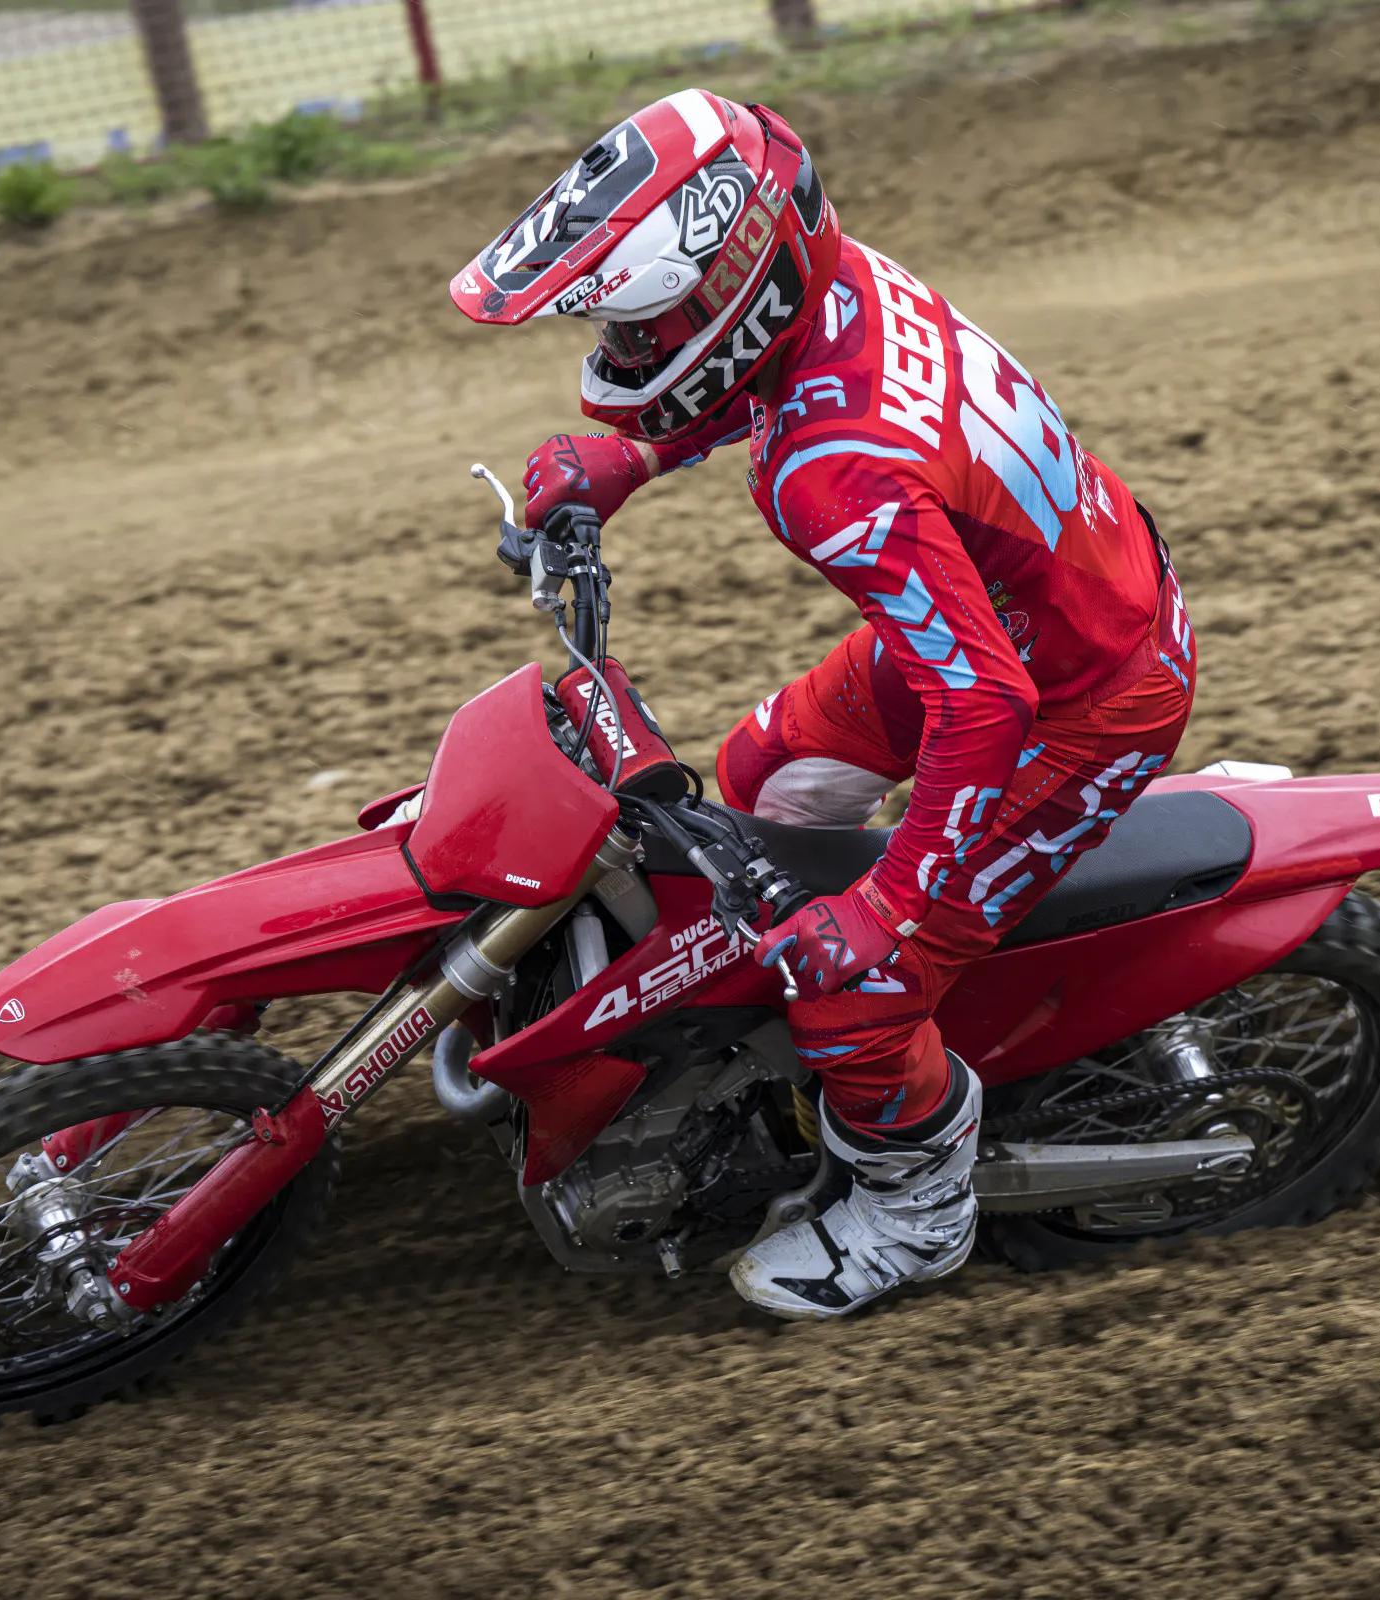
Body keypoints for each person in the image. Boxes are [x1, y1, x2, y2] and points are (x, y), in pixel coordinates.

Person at [452, 89, 1195, 1320]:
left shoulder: (829, 478)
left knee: (861, 970)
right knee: (758, 788)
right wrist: (635, 454)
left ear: (733, 299)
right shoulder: (831, 278)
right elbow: (787, 378)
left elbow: (987, 704)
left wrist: (892, 908)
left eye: (642, 328)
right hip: (1022, 617)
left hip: (1083, 694)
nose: (622, 354)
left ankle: (914, 1209)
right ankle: (832, 1065)